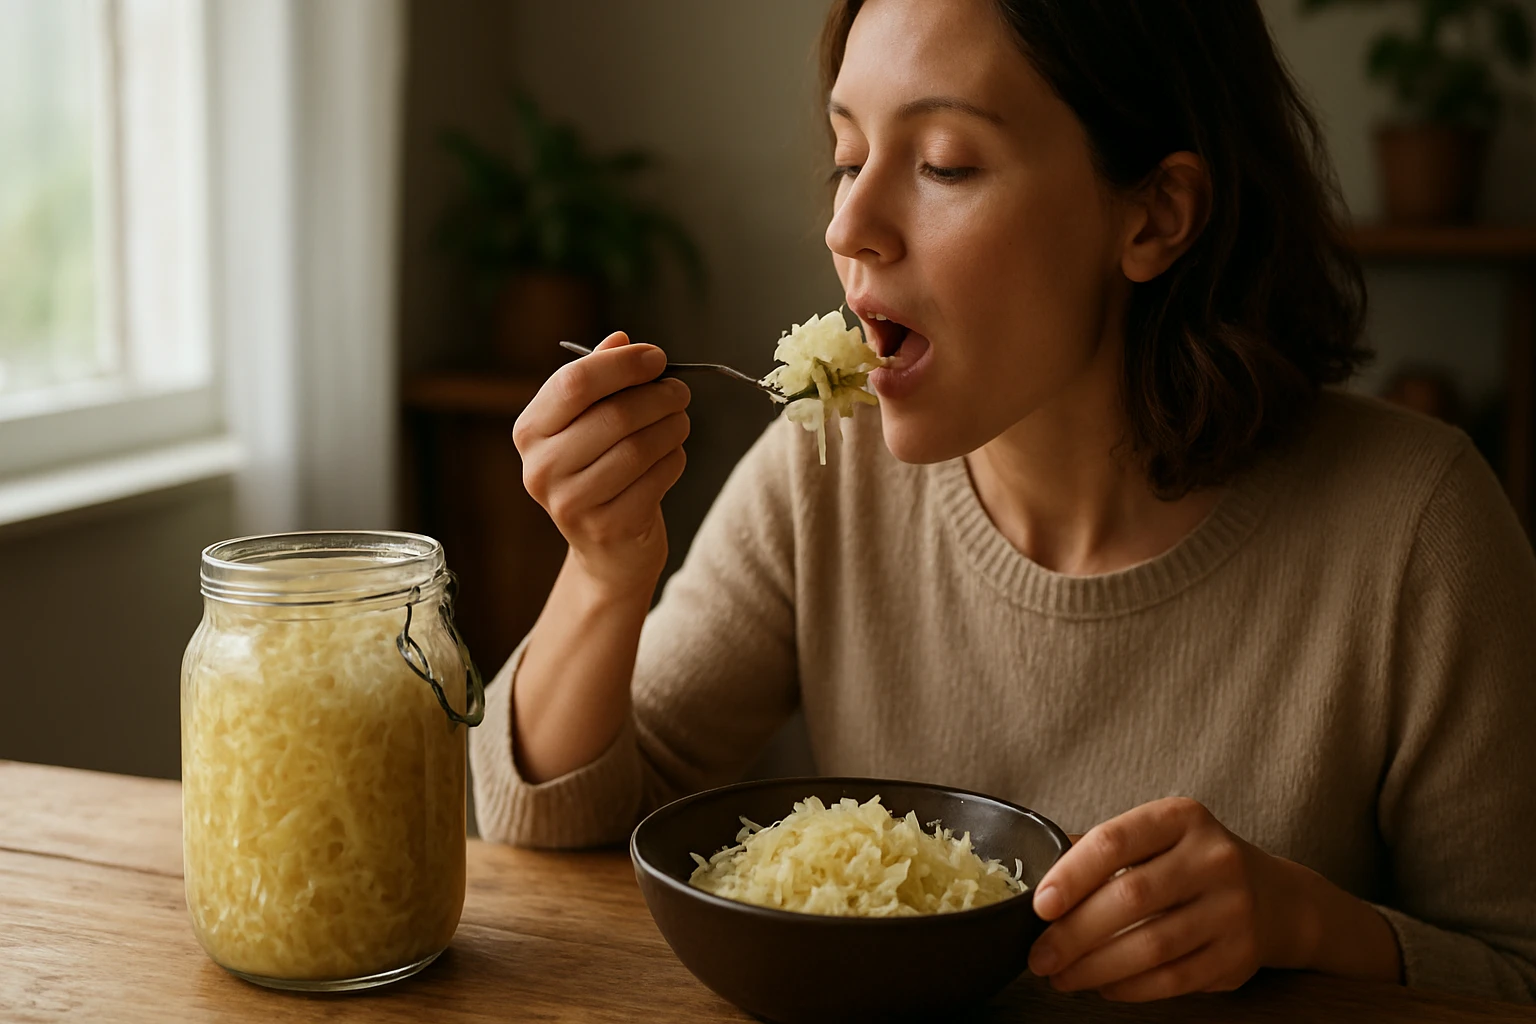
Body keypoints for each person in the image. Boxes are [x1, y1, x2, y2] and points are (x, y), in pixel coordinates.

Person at [471, 0, 1536, 1005]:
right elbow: (549, 824)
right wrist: (606, 568)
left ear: (1156, 216)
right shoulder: (824, 472)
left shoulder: (1420, 528)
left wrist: (1309, 925)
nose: (851, 224)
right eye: (848, 157)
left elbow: (1517, 970)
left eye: (943, 163)